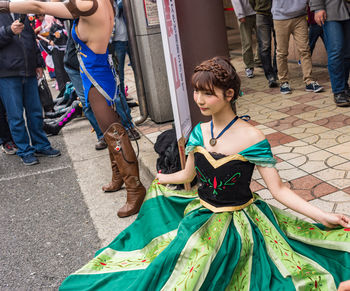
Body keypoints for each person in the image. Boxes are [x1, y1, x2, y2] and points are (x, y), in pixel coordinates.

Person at [59, 57, 350, 290]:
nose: (199, 99)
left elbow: (279, 190)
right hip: (200, 214)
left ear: (230, 94)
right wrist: (162, 179)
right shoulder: (198, 132)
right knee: (170, 266)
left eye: (207, 93)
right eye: (197, 91)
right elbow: (188, 175)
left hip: (242, 222)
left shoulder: (252, 137)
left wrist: (322, 216)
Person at [0, 0, 146, 216]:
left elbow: (40, 7)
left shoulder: (88, 4)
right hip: (95, 72)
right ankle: (119, 176)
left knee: (115, 133)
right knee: (108, 132)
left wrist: (5, 4)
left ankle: (135, 189)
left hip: (97, 77)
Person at [0, 10, 60, 166]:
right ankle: (25, 150)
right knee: (16, 116)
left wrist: (38, 63)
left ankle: (41, 145)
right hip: (7, 73)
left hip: (29, 71)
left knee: (35, 112)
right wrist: (9, 31)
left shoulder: (21, 9)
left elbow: (31, 38)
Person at [63, 19, 107, 150]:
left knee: (109, 99)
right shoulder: (75, 11)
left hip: (94, 64)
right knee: (87, 104)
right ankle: (102, 136)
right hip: (74, 66)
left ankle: (124, 128)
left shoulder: (98, 11)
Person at [271, 0, 324, 94]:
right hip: (280, 18)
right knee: (281, 52)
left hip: (300, 16)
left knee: (305, 50)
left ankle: (309, 81)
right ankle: (284, 82)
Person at [310, 0, 350, 107]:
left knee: (347, 53)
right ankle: (338, 91)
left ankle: (344, 87)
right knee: (336, 50)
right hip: (330, 11)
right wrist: (318, 8)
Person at [110, 0, 140, 140]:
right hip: (115, 43)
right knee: (118, 80)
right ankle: (127, 124)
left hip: (129, 37)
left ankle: (129, 121)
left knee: (138, 71)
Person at [249, 0, 278, 87]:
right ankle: (270, 76)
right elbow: (251, 2)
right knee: (265, 46)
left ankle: (276, 71)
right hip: (261, 14)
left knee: (279, 44)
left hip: (278, 13)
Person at [231, 0, 261, 78]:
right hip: (245, 15)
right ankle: (249, 66)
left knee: (262, 40)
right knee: (247, 42)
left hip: (259, 12)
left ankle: (259, 60)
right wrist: (240, 15)